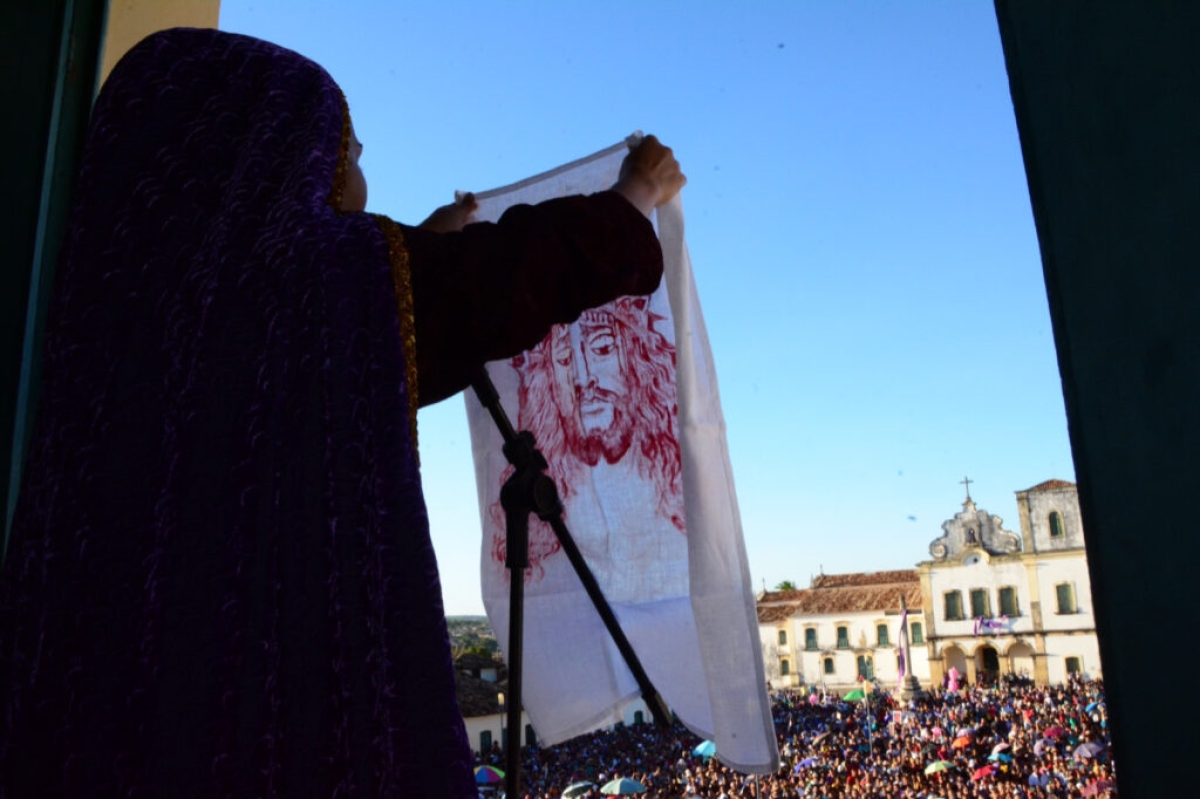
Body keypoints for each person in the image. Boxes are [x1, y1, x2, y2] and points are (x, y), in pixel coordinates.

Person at [0, 27, 683, 798]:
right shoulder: (308, 290)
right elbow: (505, 279)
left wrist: (410, 253)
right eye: (348, 153)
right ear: (265, 153)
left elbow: (340, 360)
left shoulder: (116, 318)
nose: (360, 175)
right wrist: (634, 198)